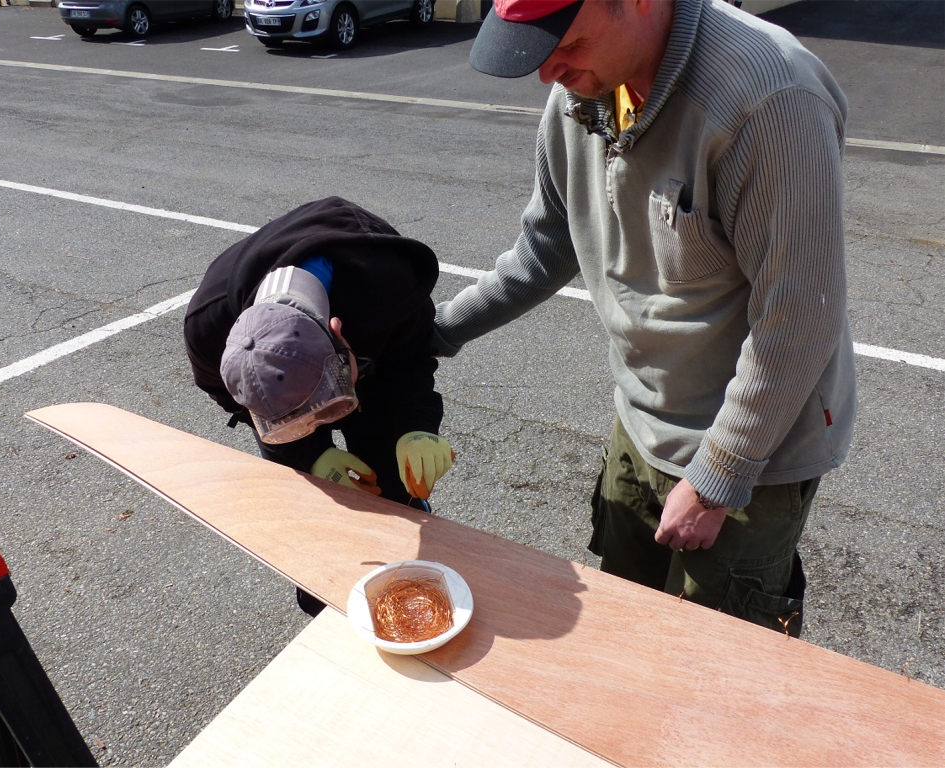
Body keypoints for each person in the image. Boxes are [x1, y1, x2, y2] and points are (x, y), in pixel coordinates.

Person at [432, 0, 856, 637]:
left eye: (563, 42)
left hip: (753, 448)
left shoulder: (769, 100)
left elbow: (799, 320)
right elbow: (546, 247)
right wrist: (432, 332)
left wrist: (716, 479)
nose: (548, 72)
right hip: (641, 417)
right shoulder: (585, 92)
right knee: (624, 628)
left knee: (714, 660)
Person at [185, 196, 455, 614]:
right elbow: (231, 400)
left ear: (338, 333)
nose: (322, 422)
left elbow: (410, 361)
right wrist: (309, 454)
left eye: (326, 406)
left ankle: (409, 564)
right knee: (315, 503)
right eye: (298, 418)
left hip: (372, 351)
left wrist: (416, 427)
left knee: (391, 479)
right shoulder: (207, 328)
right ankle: (327, 602)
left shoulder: (390, 285)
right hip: (295, 386)